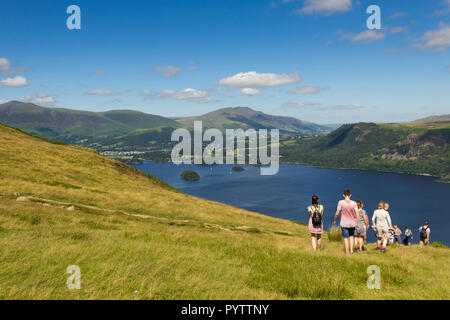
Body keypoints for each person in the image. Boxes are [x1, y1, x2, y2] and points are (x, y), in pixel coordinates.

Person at [334, 189, 359, 255]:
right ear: (350, 195)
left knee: (345, 238)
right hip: (352, 223)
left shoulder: (340, 202)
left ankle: (347, 252)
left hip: (344, 223)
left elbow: (337, 213)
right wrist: (358, 223)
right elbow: (357, 214)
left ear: (343, 195)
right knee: (351, 237)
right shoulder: (354, 203)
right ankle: (351, 251)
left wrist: (335, 220)